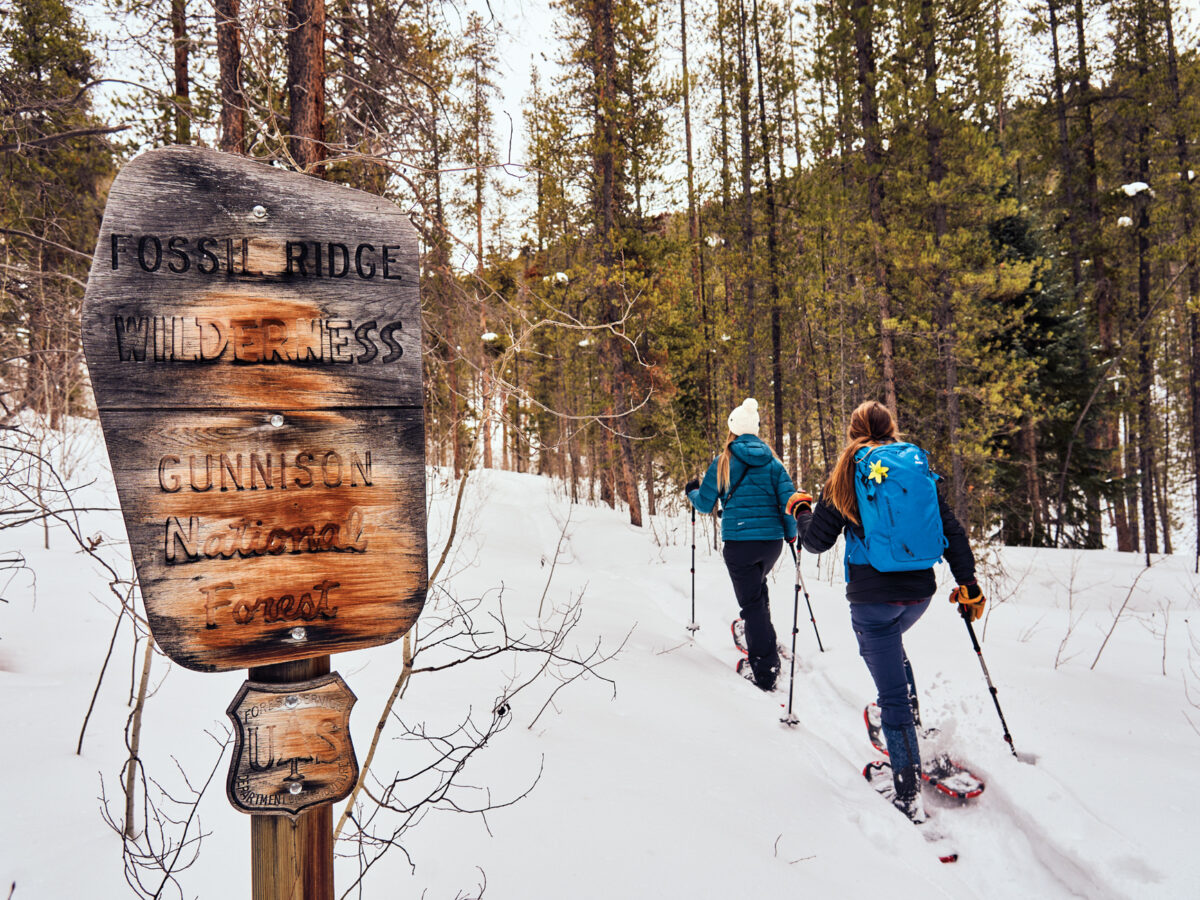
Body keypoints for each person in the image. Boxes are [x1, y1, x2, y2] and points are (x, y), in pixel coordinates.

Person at [787, 400, 985, 822]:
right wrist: (968, 583)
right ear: (890, 427)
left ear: (853, 430)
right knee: (894, 655)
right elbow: (952, 530)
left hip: (873, 599)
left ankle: (907, 792)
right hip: (919, 595)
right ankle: (911, 733)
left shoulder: (847, 472)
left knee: (890, 693)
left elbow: (816, 543)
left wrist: (802, 512)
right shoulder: (917, 470)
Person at [685, 398, 798, 691]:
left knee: (751, 604)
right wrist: (790, 534)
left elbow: (705, 504)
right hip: (772, 544)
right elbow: (788, 502)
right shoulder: (773, 463)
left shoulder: (723, 461)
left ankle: (765, 669)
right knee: (757, 592)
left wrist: (692, 492)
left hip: (740, 543)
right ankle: (765, 637)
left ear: (732, 430)